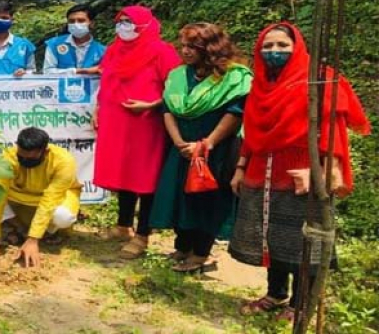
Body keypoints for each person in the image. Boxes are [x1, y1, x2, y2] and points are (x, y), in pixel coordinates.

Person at [229, 22, 369, 322]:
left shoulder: (319, 80)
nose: (274, 51)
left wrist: (322, 172)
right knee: (271, 233)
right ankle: (275, 293)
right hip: (263, 169)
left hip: (303, 170)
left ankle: (301, 303)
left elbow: (333, 129)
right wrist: (240, 168)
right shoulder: (261, 85)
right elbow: (251, 132)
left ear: (298, 48)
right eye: (268, 46)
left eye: (282, 45)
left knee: (303, 240)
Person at [149, 23, 251, 273]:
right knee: (179, 197)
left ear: (211, 48)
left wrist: (207, 143)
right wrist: (178, 142)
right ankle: (182, 247)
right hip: (181, 147)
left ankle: (200, 253)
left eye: (193, 47)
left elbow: (235, 112)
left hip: (216, 150)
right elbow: (168, 109)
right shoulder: (177, 75)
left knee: (206, 201)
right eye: (183, 46)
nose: (185, 51)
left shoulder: (234, 77)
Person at [91, 5, 180, 259]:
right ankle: (123, 225)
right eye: (120, 21)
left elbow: (175, 89)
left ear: (145, 24)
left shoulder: (162, 51)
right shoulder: (114, 50)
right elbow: (106, 81)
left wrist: (151, 105)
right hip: (117, 122)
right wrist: (98, 107)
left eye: (129, 22)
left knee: (145, 176)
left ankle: (142, 234)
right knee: (124, 172)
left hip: (147, 123)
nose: (123, 27)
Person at [0, 128, 83, 269]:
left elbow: (50, 200)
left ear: (45, 152)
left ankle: (47, 233)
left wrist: (33, 239)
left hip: (52, 198)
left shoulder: (64, 161)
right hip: (18, 195)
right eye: (21, 157)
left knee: (63, 217)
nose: (24, 161)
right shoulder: (9, 157)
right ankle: (19, 228)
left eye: (31, 159)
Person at [43, 3, 106, 75]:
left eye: (81, 20)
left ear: (92, 23)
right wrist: (80, 71)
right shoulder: (54, 44)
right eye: (71, 21)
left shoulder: (102, 51)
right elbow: (48, 72)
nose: (76, 24)